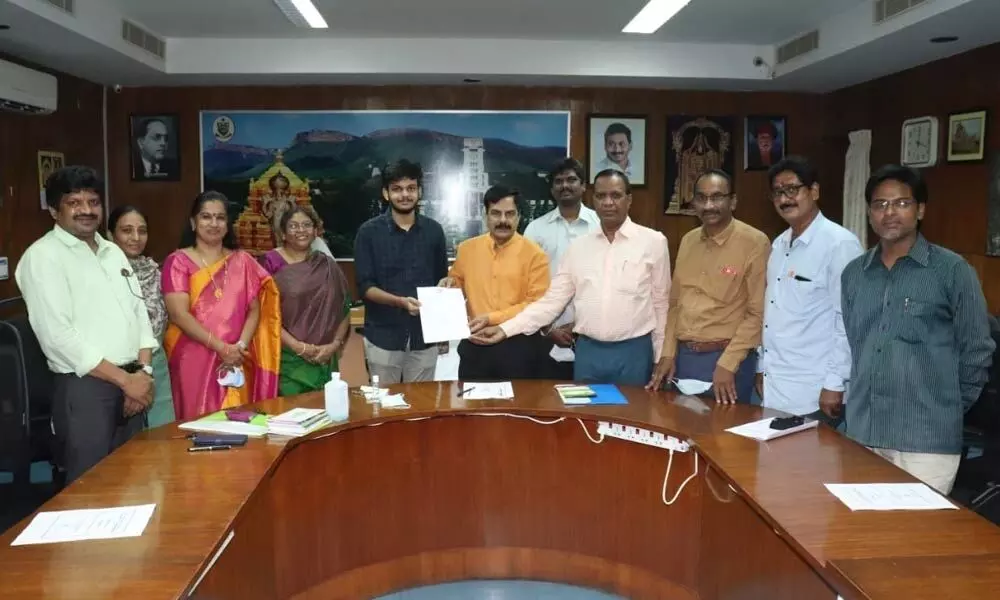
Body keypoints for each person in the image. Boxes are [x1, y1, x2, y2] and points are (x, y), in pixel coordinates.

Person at [841, 164, 994, 494]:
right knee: (862, 538)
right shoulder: (854, 273)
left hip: (926, 440)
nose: (889, 212)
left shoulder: (952, 270)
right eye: (880, 204)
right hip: (863, 433)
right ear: (869, 212)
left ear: (920, 209)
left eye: (901, 203)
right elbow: (857, 344)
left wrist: (946, 404)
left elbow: (977, 348)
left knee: (916, 542)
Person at [15, 166, 156, 483]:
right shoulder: (42, 258)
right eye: (74, 203)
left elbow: (139, 312)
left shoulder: (113, 252)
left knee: (136, 482)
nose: (86, 210)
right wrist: (124, 380)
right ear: (54, 210)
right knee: (90, 489)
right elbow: (58, 337)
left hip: (133, 382)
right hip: (86, 390)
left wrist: (142, 374)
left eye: (93, 202)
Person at [472, 170, 669, 386]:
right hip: (588, 353)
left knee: (632, 417)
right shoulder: (579, 248)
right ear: (592, 199)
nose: (608, 202)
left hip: (634, 353)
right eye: (601, 196)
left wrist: (661, 356)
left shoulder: (653, 242)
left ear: (629, 199)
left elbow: (661, 304)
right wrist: (504, 329)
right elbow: (551, 303)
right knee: (586, 417)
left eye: (616, 195)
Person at [756, 157, 863, 425]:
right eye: (778, 192)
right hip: (777, 385)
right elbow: (771, 313)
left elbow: (848, 321)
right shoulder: (779, 245)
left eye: (792, 189)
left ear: (814, 191)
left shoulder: (840, 245)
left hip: (817, 393)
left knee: (813, 467)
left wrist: (835, 383)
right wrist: (762, 368)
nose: (785, 199)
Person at [649, 169, 769, 404]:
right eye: (701, 198)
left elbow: (757, 313)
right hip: (684, 359)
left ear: (732, 201)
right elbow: (675, 305)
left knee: (724, 437)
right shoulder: (688, 240)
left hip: (726, 360)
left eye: (717, 197)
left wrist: (728, 364)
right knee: (684, 432)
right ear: (693, 202)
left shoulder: (754, 242)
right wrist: (668, 353)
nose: (708, 205)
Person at [162, 191, 282, 420]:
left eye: (220, 217)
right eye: (206, 217)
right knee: (196, 423)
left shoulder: (242, 260)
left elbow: (254, 309)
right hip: (193, 357)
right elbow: (179, 314)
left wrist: (238, 347)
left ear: (228, 224)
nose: (213, 223)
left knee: (238, 423)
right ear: (193, 223)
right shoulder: (177, 261)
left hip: (236, 358)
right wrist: (221, 348)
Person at [440, 185, 550, 380]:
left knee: (517, 410)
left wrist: (492, 318)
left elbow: (536, 305)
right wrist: (448, 285)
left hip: (519, 348)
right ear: (486, 215)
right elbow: (456, 286)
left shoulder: (535, 255)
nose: (502, 221)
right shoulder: (467, 249)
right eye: (496, 213)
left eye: (509, 214)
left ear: (519, 216)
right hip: (475, 347)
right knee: (473, 408)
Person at [354, 160, 448, 383]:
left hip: (425, 337)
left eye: (411, 188)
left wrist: (446, 285)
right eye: (397, 189)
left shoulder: (434, 231)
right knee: (385, 408)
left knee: (421, 408)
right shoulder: (368, 233)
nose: (404, 195)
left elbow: (441, 280)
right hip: (383, 336)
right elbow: (365, 287)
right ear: (386, 193)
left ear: (419, 192)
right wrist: (400, 302)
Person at [260, 206, 352, 395]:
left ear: (316, 231)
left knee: (325, 418)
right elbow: (264, 314)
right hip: (286, 361)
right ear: (283, 233)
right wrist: (299, 348)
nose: (301, 230)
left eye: (307, 225)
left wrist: (334, 345)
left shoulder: (327, 265)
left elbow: (344, 309)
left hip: (324, 358)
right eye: (293, 226)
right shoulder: (269, 263)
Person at [524, 158, 600, 380]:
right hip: (544, 336)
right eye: (558, 181)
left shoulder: (600, 225)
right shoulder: (535, 229)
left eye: (571, 180)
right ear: (551, 189)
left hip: (593, 335)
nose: (565, 185)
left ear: (584, 186)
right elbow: (526, 284)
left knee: (591, 405)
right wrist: (548, 329)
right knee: (546, 403)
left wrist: (579, 325)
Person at [108, 205, 176, 428]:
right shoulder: (102, 274)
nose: (136, 238)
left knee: (162, 435)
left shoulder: (155, 272)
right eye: (127, 231)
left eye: (142, 231)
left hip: (155, 360)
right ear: (110, 234)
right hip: (117, 365)